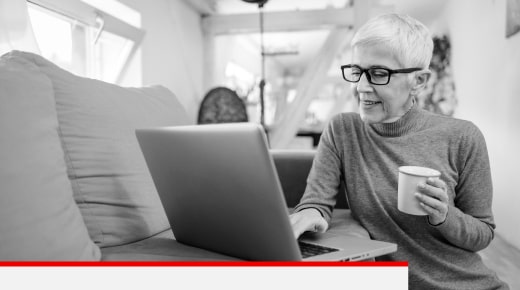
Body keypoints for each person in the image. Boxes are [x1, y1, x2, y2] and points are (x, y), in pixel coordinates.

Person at [290, 13, 509, 289]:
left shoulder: (462, 137)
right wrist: (311, 213)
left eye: (379, 73)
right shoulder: (343, 131)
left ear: (418, 81)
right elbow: (317, 201)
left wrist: (444, 215)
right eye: (357, 71)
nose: (361, 86)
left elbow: (483, 233)